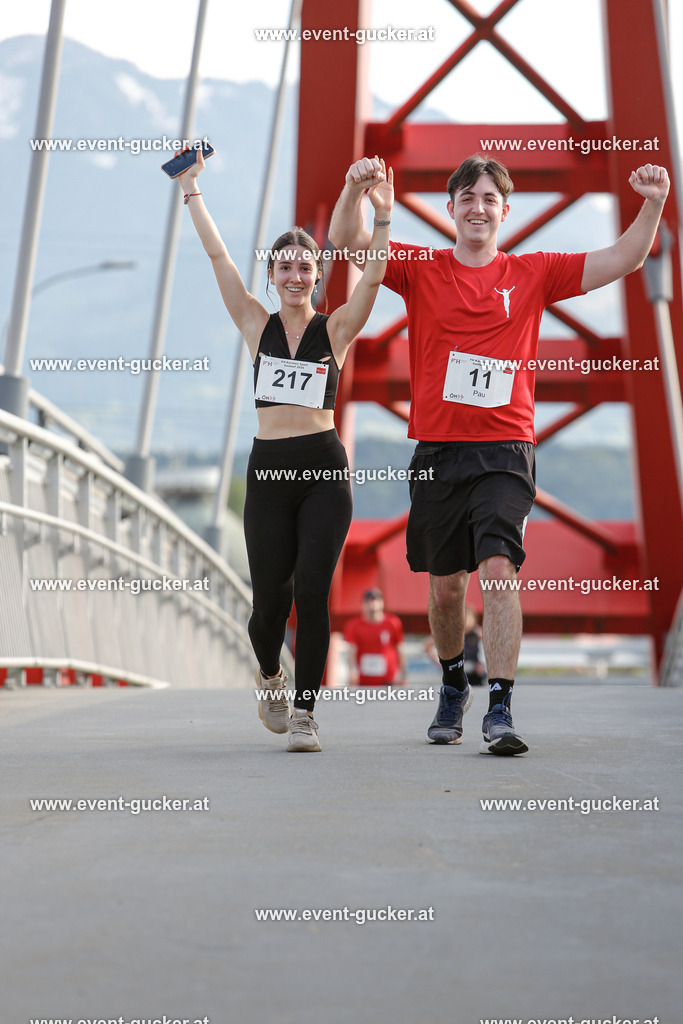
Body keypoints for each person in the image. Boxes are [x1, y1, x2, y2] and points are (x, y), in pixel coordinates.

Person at [330, 154, 669, 755]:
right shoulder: (420, 267)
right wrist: (358, 190)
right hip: (438, 449)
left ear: (505, 212)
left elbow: (623, 258)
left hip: (506, 449)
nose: (478, 208)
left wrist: (652, 205)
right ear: (451, 209)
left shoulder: (534, 271)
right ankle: (454, 682)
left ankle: (503, 708)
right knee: (445, 590)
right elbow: (347, 240)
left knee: (500, 573)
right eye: (467, 198)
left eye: (489, 199)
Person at [177, 149, 394, 751]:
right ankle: (270, 673)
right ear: (272, 275)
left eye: (307, 268)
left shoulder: (337, 330)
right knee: (269, 605)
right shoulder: (254, 323)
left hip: (324, 468)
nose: (297, 276)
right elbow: (218, 256)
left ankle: (305, 712)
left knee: (312, 593)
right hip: (269, 473)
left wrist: (383, 217)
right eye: (287, 268)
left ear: (318, 278)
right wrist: (192, 191)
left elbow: (373, 277)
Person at [344, 588, 406, 687]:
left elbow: (400, 648)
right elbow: (352, 650)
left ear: (382, 603)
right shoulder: (354, 625)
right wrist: (352, 670)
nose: (372, 605)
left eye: (376, 600)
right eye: (368, 601)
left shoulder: (393, 623)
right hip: (363, 680)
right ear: (363, 604)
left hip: (388, 678)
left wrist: (403, 673)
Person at [425, 605, 486, 686]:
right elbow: (427, 646)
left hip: (474, 673)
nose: (465, 621)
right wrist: (440, 664)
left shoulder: (477, 633)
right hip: (456, 672)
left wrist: (482, 664)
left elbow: (490, 647)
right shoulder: (451, 633)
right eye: (463, 617)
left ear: (474, 619)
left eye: (468, 617)